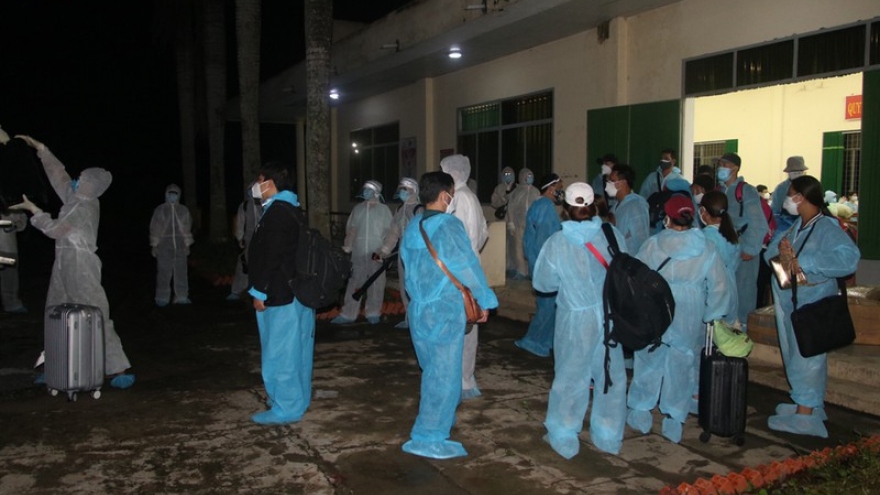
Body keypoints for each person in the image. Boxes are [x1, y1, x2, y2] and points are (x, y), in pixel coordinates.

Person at [11, 135, 134, 389]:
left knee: (96, 313)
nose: (76, 181)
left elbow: (55, 229)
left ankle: (118, 368)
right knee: (55, 312)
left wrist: (34, 211)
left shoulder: (84, 207)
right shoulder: (76, 198)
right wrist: (42, 150)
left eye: (82, 179)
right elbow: (61, 179)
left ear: (90, 186)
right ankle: (55, 366)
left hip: (82, 265)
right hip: (64, 262)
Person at [399, 171, 498, 459]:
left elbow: (407, 267)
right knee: (443, 376)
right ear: (445, 195)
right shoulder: (448, 226)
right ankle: (429, 436)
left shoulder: (414, 225)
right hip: (444, 309)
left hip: (420, 309)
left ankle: (438, 421)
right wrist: (485, 299)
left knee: (432, 371)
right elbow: (466, 266)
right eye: (452, 193)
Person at [532, 182, 629, 457]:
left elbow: (544, 284)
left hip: (575, 320)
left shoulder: (557, 242)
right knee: (610, 376)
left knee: (571, 376)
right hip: (609, 318)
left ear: (565, 208)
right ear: (592, 205)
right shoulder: (611, 235)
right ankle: (608, 434)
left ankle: (564, 433)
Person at [626, 194, 729, 443]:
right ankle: (674, 418)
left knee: (649, 357)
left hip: (657, 306)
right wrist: (712, 314)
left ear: (667, 217)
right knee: (682, 362)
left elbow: (635, 276)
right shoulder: (706, 247)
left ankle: (640, 410)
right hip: (689, 310)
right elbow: (719, 285)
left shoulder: (653, 244)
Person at [765, 176, 860, 438]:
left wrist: (805, 262)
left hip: (812, 304)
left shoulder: (827, 227)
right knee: (797, 355)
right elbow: (771, 254)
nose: (787, 199)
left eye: (791, 194)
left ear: (802, 197)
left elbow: (849, 260)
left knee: (808, 358)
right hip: (793, 302)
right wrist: (783, 253)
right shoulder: (798, 226)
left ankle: (806, 416)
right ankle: (807, 404)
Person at [247, 162, 316, 425]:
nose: (257, 186)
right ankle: (297, 399)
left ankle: (286, 406)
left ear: (271, 183)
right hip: (295, 292)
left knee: (280, 353)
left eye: (260, 180)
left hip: (280, 294)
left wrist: (260, 291)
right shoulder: (291, 209)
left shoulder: (276, 213)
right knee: (297, 350)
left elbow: (271, 256)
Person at [440, 155, 489, 399]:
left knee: (464, 325)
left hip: (460, 268)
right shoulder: (469, 196)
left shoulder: (459, 198)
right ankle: (464, 378)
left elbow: (457, 238)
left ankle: (461, 379)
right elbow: (483, 234)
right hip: (468, 265)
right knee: (467, 322)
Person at [716, 152, 768, 330]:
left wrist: (751, 249)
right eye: (720, 164)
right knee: (724, 290)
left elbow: (758, 222)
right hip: (725, 247)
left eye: (725, 164)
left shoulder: (746, 191)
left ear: (735, 168)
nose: (721, 168)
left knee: (744, 291)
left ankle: (743, 329)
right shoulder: (720, 191)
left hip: (743, 247)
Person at [516, 173, 564, 357]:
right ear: (551, 189)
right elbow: (547, 240)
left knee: (548, 306)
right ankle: (534, 341)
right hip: (546, 265)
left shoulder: (539, 205)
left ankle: (544, 340)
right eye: (559, 188)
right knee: (547, 307)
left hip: (540, 263)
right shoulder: (545, 207)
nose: (561, 192)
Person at [332, 180, 393, 325]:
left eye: (369, 190)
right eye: (365, 189)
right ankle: (349, 313)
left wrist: (385, 250)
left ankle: (373, 312)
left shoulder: (384, 210)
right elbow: (352, 230)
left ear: (376, 193)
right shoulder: (358, 209)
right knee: (354, 282)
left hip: (376, 252)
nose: (366, 192)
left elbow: (390, 232)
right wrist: (348, 245)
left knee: (376, 284)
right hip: (358, 253)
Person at [375, 177, 421, 329]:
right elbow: (393, 233)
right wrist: (384, 250)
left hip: (416, 254)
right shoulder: (399, 210)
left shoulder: (419, 209)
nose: (402, 193)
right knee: (404, 285)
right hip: (402, 252)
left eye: (405, 190)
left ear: (414, 191)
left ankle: (419, 319)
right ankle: (409, 318)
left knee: (416, 286)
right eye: (401, 190)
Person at [149, 184, 194, 307]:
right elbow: (155, 227)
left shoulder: (183, 210)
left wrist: (187, 244)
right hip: (164, 245)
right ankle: (162, 297)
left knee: (181, 272)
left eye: (175, 194)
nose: (172, 196)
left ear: (178, 195)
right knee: (164, 273)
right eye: (170, 194)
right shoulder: (160, 210)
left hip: (180, 245)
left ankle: (182, 296)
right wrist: (154, 244)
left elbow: (187, 227)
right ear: (166, 194)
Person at [228, 182, 264, 301]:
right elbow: (240, 223)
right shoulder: (244, 206)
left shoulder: (264, 204)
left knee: (263, 264)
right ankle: (237, 291)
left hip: (263, 239)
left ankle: (260, 290)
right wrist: (240, 239)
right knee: (244, 265)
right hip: (248, 239)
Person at [607, 164, 650, 254]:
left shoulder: (636, 206)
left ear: (623, 183)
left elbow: (642, 240)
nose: (608, 184)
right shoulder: (615, 206)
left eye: (612, 181)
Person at [506, 167, 539, 279]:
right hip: (519, 224)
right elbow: (511, 208)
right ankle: (521, 271)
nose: (529, 178)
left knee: (531, 248)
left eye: (530, 176)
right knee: (519, 248)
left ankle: (532, 270)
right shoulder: (517, 192)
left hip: (532, 225)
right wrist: (511, 223)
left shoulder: (535, 191)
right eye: (527, 176)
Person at [770, 156, 808, 240]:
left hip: (805, 221)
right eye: (794, 173)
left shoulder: (809, 186)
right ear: (788, 173)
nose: (797, 175)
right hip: (785, 221)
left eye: (799, 172)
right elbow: (775, 209)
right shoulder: (781, 188)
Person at [0, 209, 28, 313]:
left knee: (9, 277)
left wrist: (16, 225)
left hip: (7, 249)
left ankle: (11, 304)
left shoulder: (11, 207)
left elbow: (22, 221)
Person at [491, 166, 517, 274]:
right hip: (501, 221)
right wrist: (503, 200)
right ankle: (503, 268)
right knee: (502, 245)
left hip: (514, 221)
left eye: (510, 174)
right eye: (505, 174)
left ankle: (514, 267)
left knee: (514, 245)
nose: (508, 176)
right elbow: (494, 202)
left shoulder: (517, 188)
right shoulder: (499, 188)